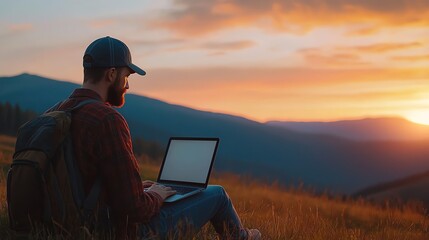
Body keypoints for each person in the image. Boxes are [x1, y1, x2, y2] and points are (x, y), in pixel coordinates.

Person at [58, 36, 261, 240]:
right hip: (120, 231)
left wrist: (140, 189)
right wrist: (157, 195)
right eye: (126, 76)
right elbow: (135, 210)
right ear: (111, 74)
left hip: (78, 224)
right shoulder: (107, 119)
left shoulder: (59, 113)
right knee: (217, 195)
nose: (127, 86)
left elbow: (86, 181)